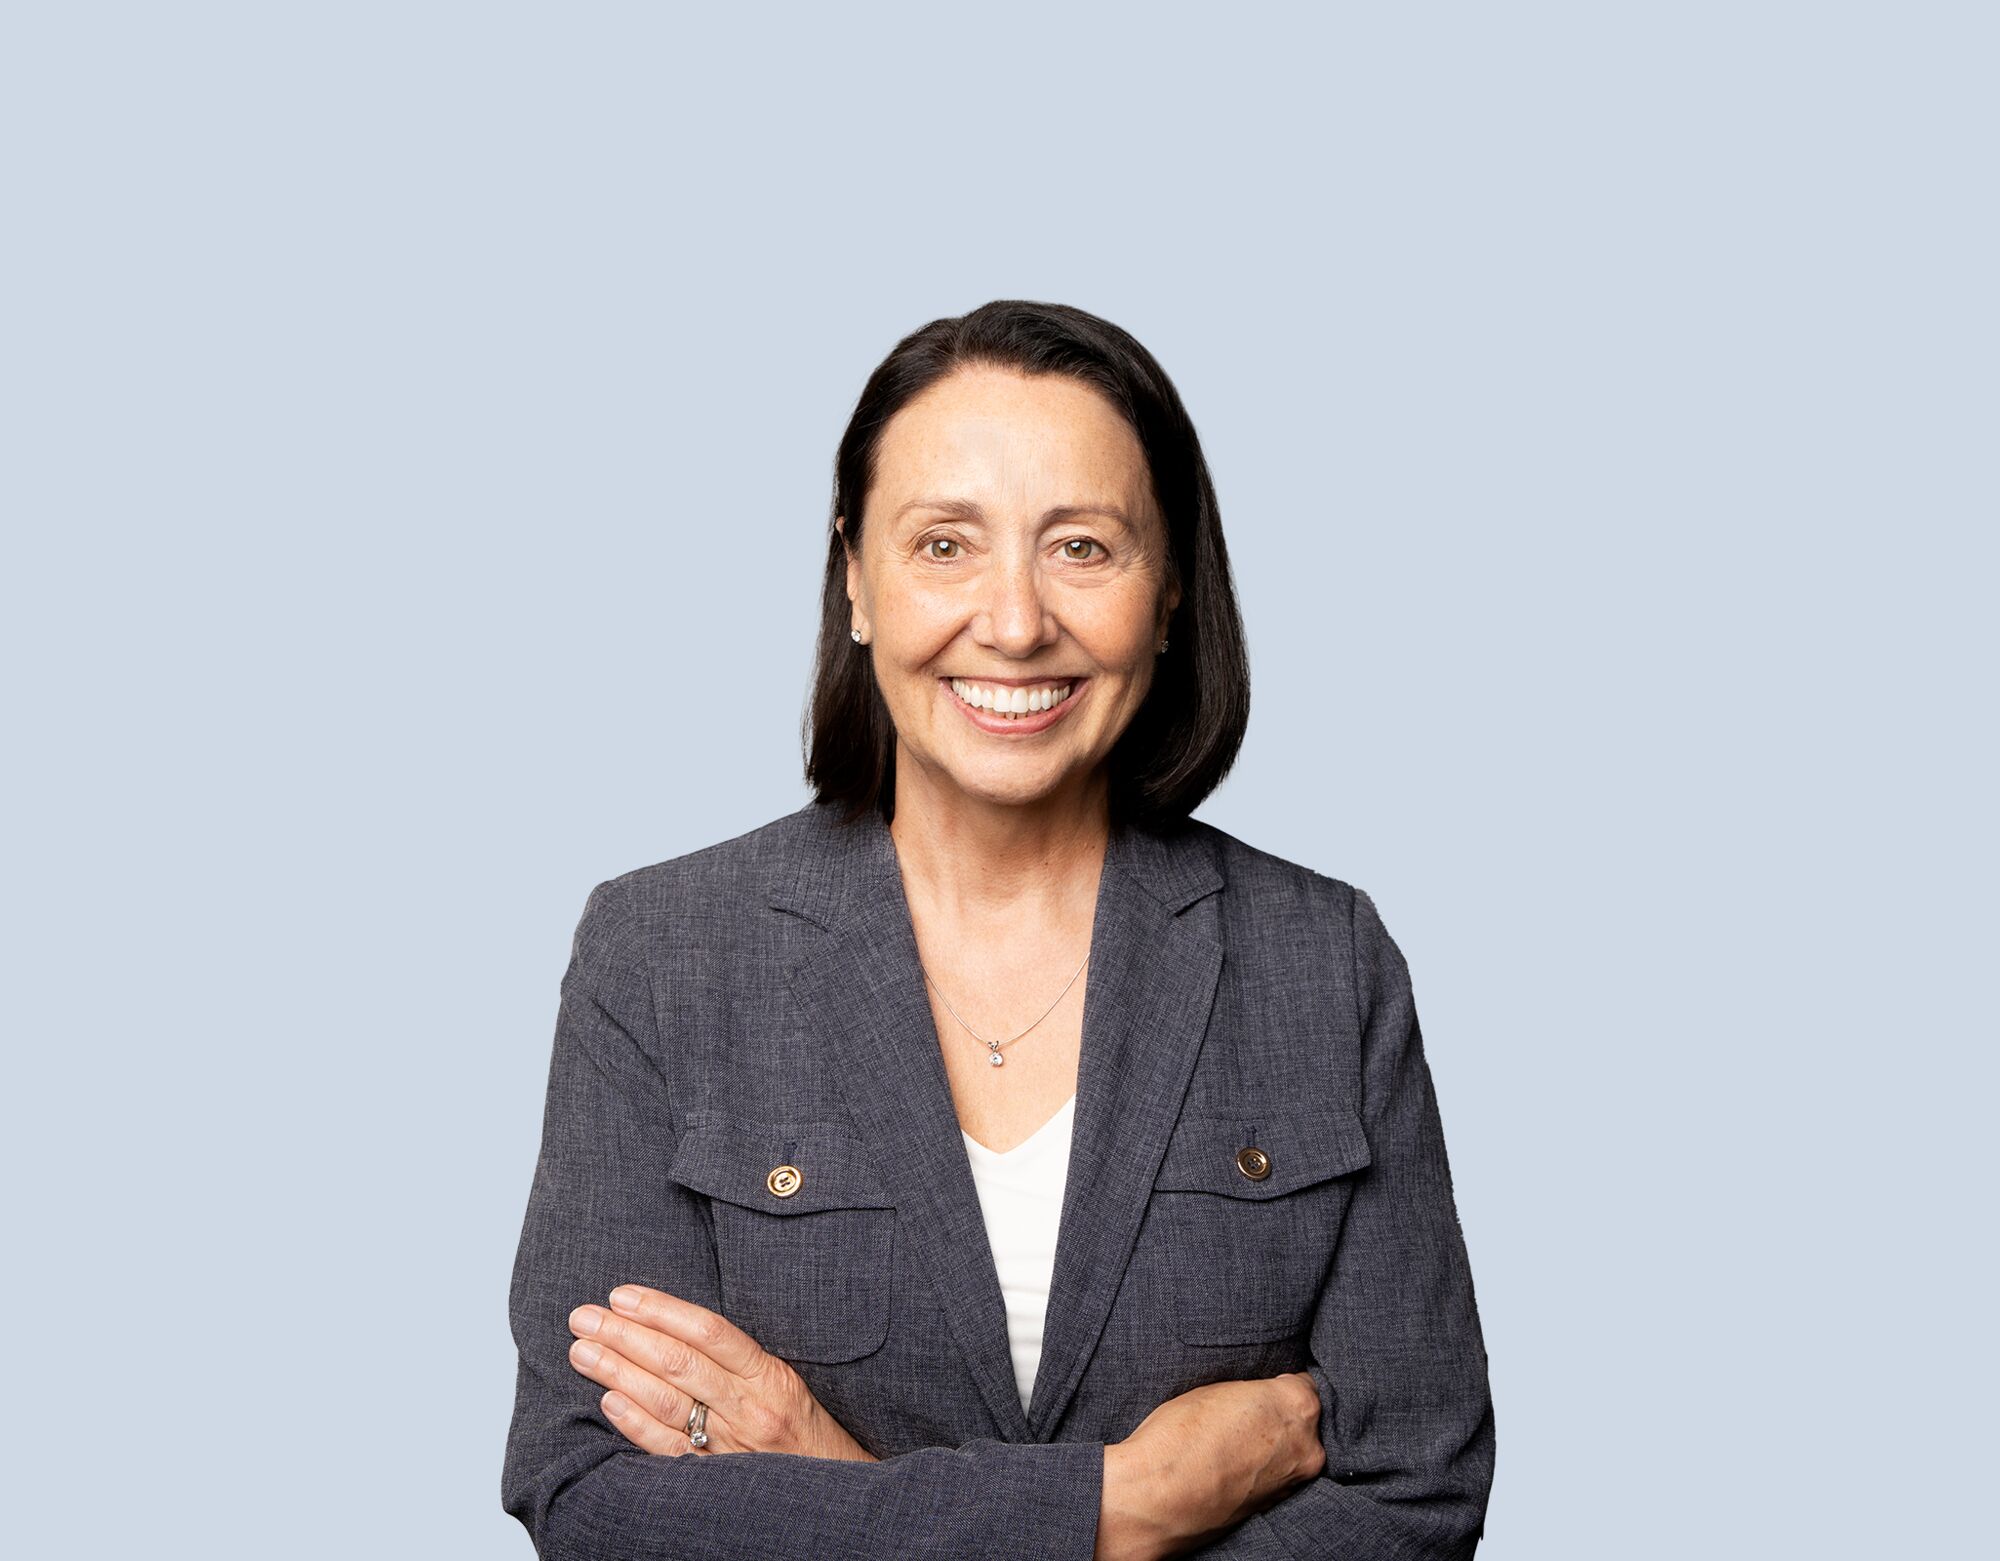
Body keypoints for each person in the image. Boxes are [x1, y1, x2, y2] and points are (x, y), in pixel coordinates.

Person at [500, 299, 1495, 1558]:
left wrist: (834, 1477)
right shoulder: (660, 955)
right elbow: (592, 1496)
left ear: (1172, 589)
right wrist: (1109, 1512)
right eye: (943, 545)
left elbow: (1415, 1500)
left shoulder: (1323, 961)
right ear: (856, 578)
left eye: (1081, 547)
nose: (1015, 622)